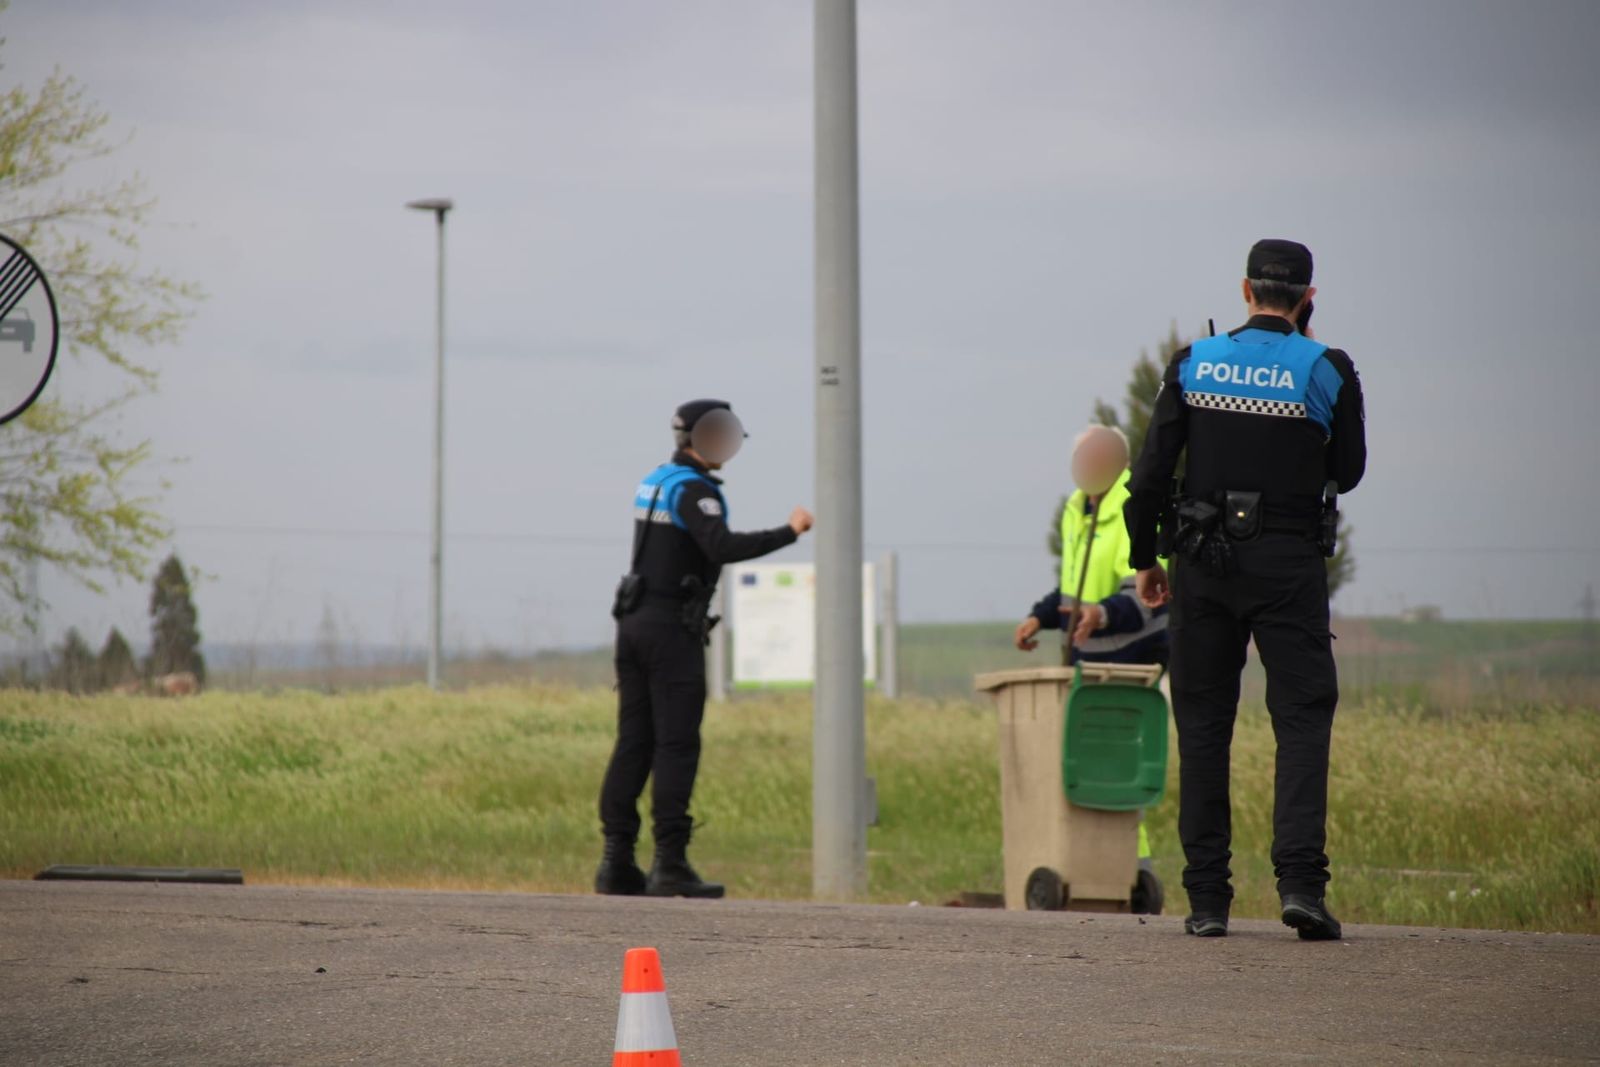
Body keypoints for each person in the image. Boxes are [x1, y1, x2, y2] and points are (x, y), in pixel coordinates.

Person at [1124, 239, 1366, 940]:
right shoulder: (1327, 368)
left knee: (1203, 723)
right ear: (1308, 298)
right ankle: (1300, 886)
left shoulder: (1194, 364)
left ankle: (1207, 902)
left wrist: (1146, 556)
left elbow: (1147, 478)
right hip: (1288, 564)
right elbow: (1346, 470)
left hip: (1202, 561)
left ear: (1243, 290)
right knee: (1301, 716)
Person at [597, 399, 814, 899]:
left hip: (632, 622)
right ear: (699, 437)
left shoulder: (655, 481)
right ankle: (669, 863)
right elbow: (722, 547)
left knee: (634, 741)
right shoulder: (697, 491)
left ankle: (617, 862)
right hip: (671, 629)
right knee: (676, 743)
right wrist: (790, 531)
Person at [1014, 425, 1169, 666]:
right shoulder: (1075, 512)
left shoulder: (1135, 510)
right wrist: (1039, 618)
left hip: (1134, 664)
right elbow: (1074, 589)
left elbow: (1144, 597)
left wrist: (1100, 614)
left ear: (1124, 463)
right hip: (1085, 666)